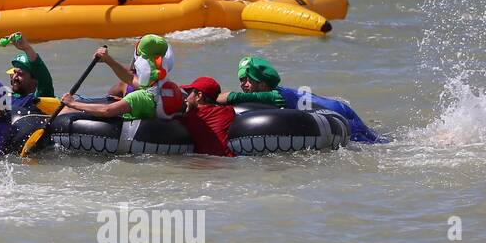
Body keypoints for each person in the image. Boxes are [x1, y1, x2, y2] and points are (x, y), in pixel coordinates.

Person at [216, 56, 379, 142]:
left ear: (262, 82)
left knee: (371, 144)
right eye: (240, 80)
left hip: (340, 116)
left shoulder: (275, 96)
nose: (242, 84)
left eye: (246, 79)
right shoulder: (278, 92)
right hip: (338, 108)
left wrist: (207, 97)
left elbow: (232, 97)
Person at [59, 36, 183, 120]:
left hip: (123, 128)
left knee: (68, 109)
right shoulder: (170, 88)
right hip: (152, 126)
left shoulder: (141, 97)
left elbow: (106, 111)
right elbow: (129, 78)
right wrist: (108, 60)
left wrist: (72, 103)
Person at [178, 77, 235, 157]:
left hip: (204, 164)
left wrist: (186, 112)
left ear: (199, 96)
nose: (186, 99)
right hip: (229, 160)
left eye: (188, 94)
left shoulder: (189, 118)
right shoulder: (229, 111)